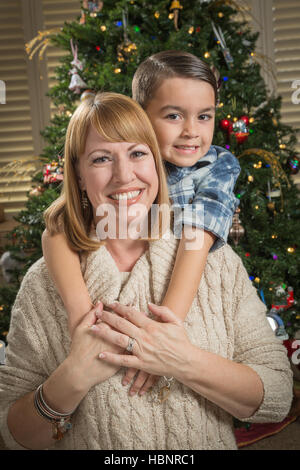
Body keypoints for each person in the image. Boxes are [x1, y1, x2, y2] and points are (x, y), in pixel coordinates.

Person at [0, 92, 293, 450]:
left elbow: (276, 395)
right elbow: (13, 437)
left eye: (137, 153)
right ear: (77, 174)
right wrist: (72, 378)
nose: (124, 176)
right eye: (101, 158)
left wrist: (183, 361)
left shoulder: (214, 261)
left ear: (157, 163)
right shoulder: (43, 284)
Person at [42, 50, 241, 396]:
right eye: (174, 116)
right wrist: (82, 324)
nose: (191, 132)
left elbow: (197, 238)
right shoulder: (129, 162)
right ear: (141, 119)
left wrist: (164, 334)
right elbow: (58, 226)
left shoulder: (214, 166)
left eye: (205, 116)